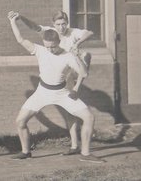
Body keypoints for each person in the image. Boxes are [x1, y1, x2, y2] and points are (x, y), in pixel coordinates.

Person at [7, 11, 105, 163]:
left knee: (89, 118)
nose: (50, 50)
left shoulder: (68, 55)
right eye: (47, 47)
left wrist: (77, 56)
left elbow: (84, 73)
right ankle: (26, 152)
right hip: (42, 92)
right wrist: (13, 22)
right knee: (20, 122)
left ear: (58, 42)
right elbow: (20, 39)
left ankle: (85, 154)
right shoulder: (40, 50)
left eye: (52, 47)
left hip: (62, 93)